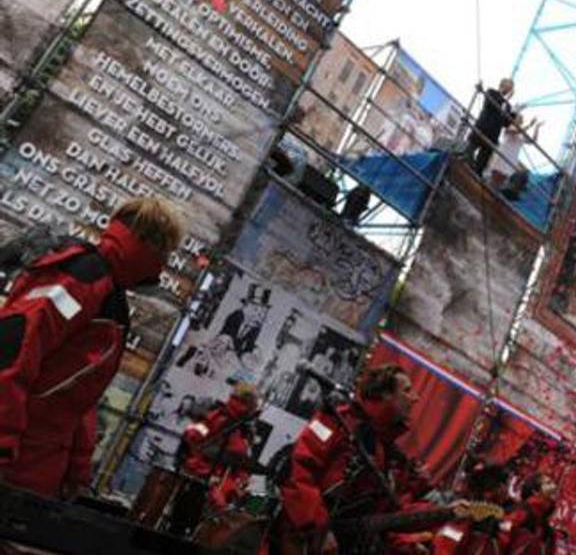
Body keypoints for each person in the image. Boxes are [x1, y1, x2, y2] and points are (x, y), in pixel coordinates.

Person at [0, 198, 183, 499]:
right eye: (166, 251)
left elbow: (81, 398)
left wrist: (77, 471)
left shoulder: (112, 298)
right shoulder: (83, 278)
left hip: (36, 465)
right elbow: (13, 348)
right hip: (16, 458)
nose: (165, 262)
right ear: (152, 245)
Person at [273, 365, 434, 555]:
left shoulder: (387, 452)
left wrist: (408, 545)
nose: (415, 398)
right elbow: (297, 472)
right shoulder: (334, 421)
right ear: (384, 395)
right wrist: (318, 528)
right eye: (407, 390)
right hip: (300, 539)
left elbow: (378, 516)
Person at [167, 383, 261, 537]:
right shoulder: (222, 419)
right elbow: (194, 437)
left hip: (214, 479)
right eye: (255, 405)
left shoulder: (235, 423)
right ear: (248, 403)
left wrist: (240, 482)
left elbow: (193, 435)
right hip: (203, 479)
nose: (256, 409)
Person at [464, 79, 516, 174]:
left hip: (493, 135)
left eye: (511, 88)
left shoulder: (508, 106)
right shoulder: (491, 92)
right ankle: (467, 166)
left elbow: (506, 123)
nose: (509, 90)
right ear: (502, 84)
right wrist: (505, 100)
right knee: (468, 152)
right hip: (482, 128)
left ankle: (475, 172)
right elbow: (490, 104)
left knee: (481, 164)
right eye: (508, 86)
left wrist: (514, 113)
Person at [499, 473, 558, 555]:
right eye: (548, 483)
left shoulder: (546, 529)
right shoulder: (522, 513)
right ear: (535, 492)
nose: (554, 487)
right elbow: (505, 529)